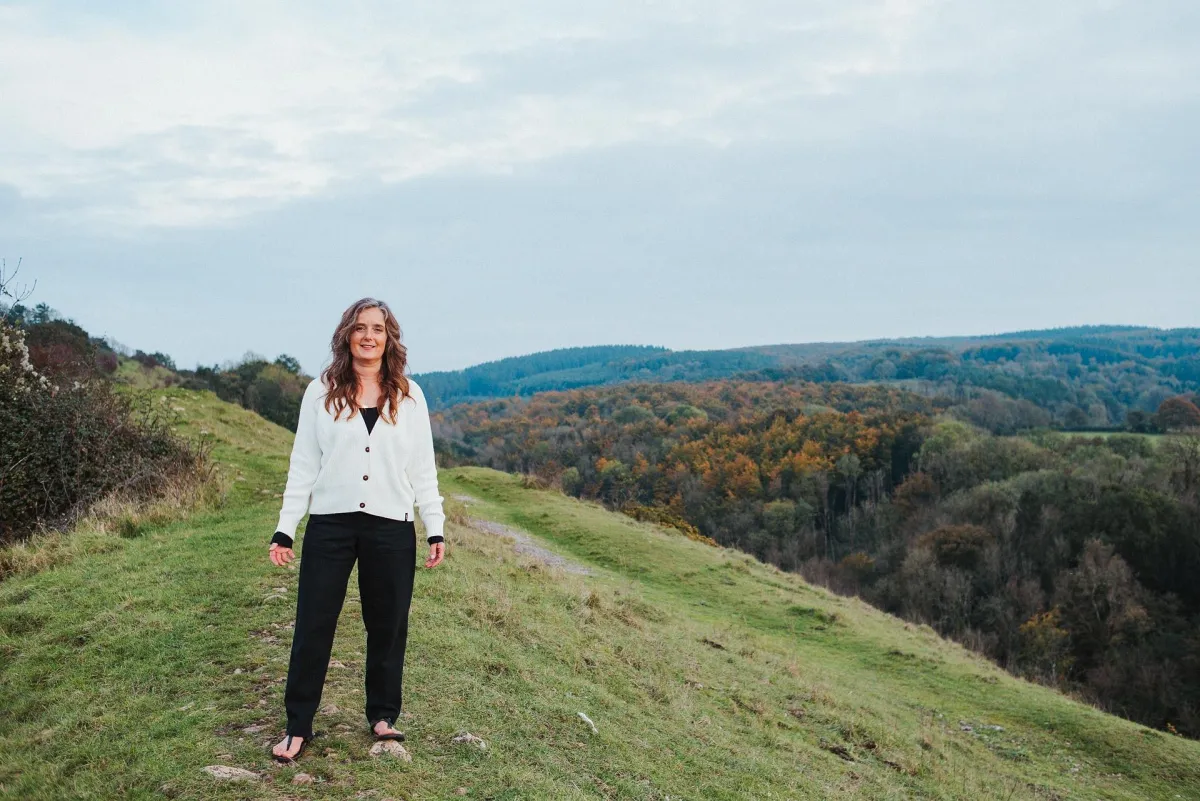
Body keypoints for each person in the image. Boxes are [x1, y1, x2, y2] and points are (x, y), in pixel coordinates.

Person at [267, 298, 446, 763]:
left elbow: (423, 467)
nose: (369, 336)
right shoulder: (320, 391)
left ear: (390, 338)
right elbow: (303, 465)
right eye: (360, 327)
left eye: (379, 329)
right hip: (331, 525)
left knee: (387, 626)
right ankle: (298, 725)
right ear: (347, 334)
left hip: (391, 526)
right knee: (313, 623)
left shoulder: (410, 394)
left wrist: (435, 526)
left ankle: (383, 715)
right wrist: (286, 528)